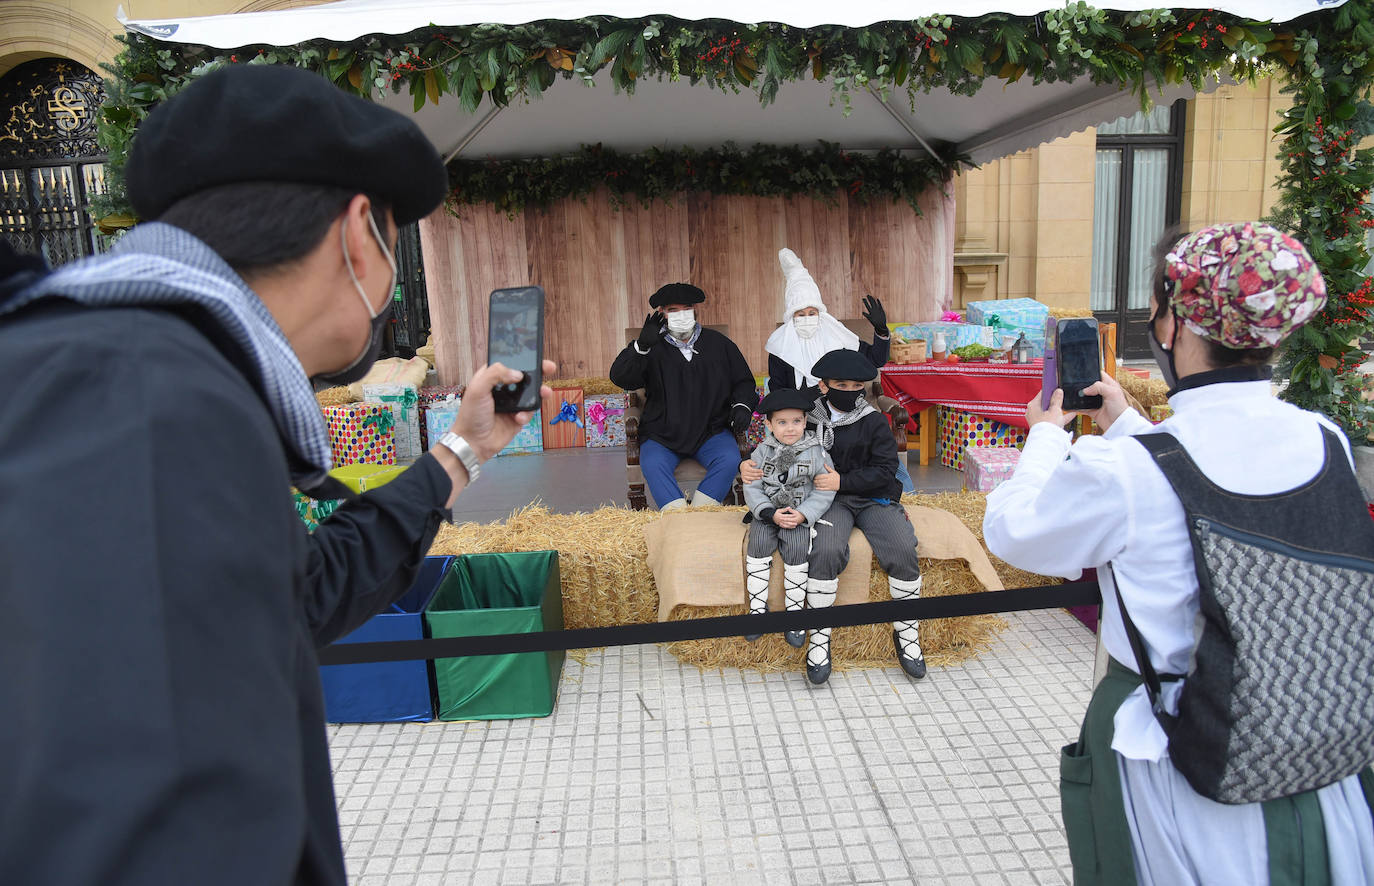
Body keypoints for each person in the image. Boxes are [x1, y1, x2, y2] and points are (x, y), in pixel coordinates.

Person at [0, 65, 556, 886]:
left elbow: (295, 596)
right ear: (358, 231)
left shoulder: (138, 370)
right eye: (394, 244)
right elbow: (151, 824)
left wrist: (463, 451)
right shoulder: (149, 400)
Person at [982, 222, 1374, 885]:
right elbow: (1215, 472)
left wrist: (1046, 437)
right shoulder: (1327, 438)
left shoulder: (1125, 470)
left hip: (1177, 759)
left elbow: (1017, 534)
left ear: (1173, 326)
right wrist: (1127, 426)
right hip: (1313, 749)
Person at [801, 349, 926, 686]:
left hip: (872, 496)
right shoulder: (808, 419)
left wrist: (844, 480)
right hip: (829, 501)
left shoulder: (871, 420)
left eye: (857, 385)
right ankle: (819, 637)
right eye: (841, 384)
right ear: (823, 385)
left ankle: (907, 631)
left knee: (901, 548)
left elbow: (886, 471)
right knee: (825, 551)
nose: (850, 391)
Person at [759, 247, 913, 493]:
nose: (807, 317)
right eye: (801, 314)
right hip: (807, 421)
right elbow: (778, 392)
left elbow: (874, 361)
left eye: (812, 313)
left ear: (820, 313)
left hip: (850, 413)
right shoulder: (781, 348)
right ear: (792, 317)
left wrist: (882, 332)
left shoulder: (838, 337)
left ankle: (907, 496)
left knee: (882, 457)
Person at [610, 282, 758, 509]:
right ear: (661, 313)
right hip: (662, 433)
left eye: (686, 308)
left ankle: (699, 512)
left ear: (695, 310)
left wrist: (742, 405)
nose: (681, 315)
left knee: (729, 459)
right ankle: (677, 515)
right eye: (672, 310)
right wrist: (641, 347)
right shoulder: (649, 347)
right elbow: (621, 378)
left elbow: (744, 381)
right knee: (652, 463)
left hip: (711, 430)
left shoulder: (719, 344)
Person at [741, 387, 836, 643]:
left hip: (797, 513)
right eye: (782, 423)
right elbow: (752, 486)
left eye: (796, 421)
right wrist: (768, 513)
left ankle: (795, 614)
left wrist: (804, 515)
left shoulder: (816, 451)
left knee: (797, 548)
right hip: (769, 513)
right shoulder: (762, 451)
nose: (790, 428)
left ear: (806, 421)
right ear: (769, 425)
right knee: (758, 543)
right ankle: (758, 609)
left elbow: (824, 490)